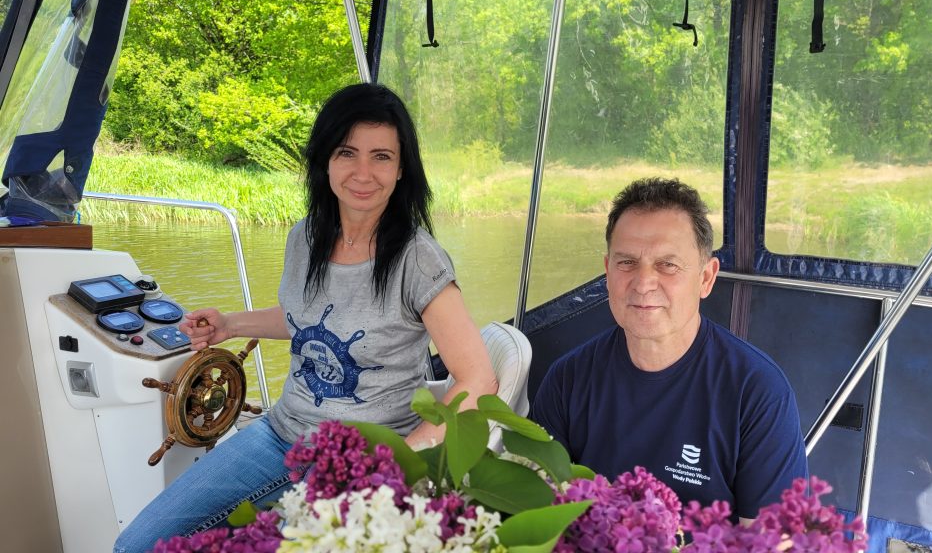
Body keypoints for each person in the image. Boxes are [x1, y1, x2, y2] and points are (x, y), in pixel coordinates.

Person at [114, 83, 498, 552]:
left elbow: (478, 380)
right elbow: (306, 321)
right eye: (347, 152)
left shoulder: (418, 260)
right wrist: (230, 325)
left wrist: (398, 464)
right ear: (326, 160)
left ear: (401, 170)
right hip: (281, 435)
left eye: (381, 156)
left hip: (362, 461)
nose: (363, 173)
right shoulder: (305, 237)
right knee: (135, 546)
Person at [530, 177, 807, 521]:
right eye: (626, 262)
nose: (644, 283)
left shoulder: (757, 392)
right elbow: (538, 514)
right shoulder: (567, 381)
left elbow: (774, 540)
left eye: (668, 265)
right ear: (607, 271)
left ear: (706, 278)